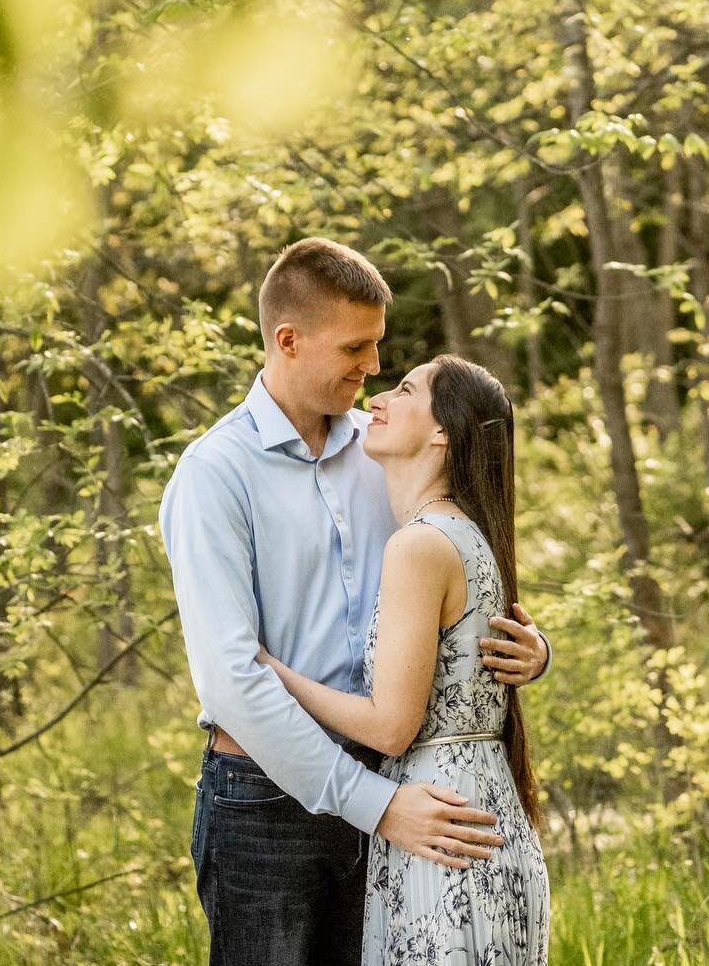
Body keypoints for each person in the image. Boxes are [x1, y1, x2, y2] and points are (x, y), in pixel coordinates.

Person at [160, 238, 550, 966]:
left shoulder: (383, 455)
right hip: (268, 800)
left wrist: (526, 645)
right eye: (357, 347)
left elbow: (453, 562)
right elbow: (232, 676)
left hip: (389, 789)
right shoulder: (215, 475)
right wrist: (377, 804)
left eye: (378, 347)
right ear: (289, 340)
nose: (373, 368)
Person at [259, 355, 549, 963]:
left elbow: (392, 727)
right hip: (480, 815)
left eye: (405, 389)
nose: (379, 399)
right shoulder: (470, 533)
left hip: (439, 827)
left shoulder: (419, 545)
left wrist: (275, 673)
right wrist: (541, 652)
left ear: (442, 430)